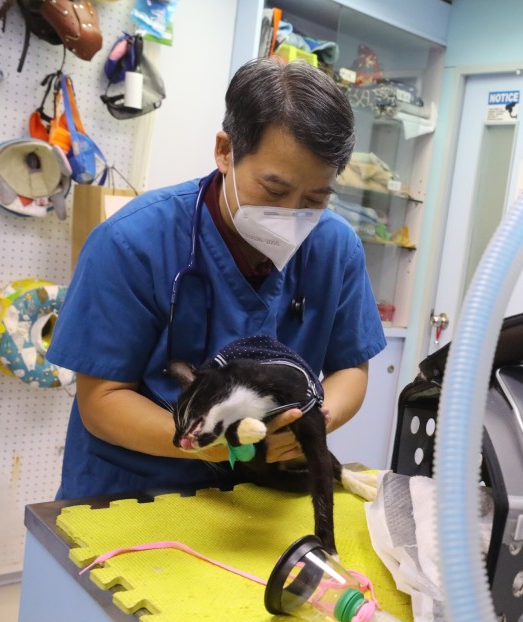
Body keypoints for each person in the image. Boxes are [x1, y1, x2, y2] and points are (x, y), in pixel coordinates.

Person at [47, 59, 386, 500]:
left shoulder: (335, 247)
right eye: (274, 190)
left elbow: (350, 368)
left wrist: (311, 422)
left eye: (316, 198)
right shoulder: (131, 243)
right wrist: (215, 444)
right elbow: (102, 401)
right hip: (137, 495)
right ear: (225, 151)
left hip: (263, 499)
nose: (292, 215)